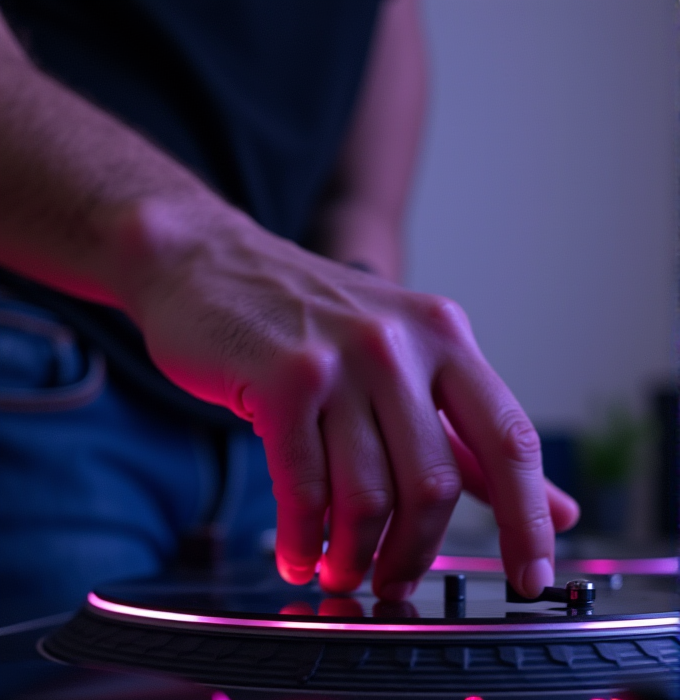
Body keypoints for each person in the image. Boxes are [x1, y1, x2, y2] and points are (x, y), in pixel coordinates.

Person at [0, 0, 579, 618]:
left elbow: (361, 204)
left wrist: (364, 364)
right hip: (36, 380)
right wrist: (188, 246)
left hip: (278, 444)